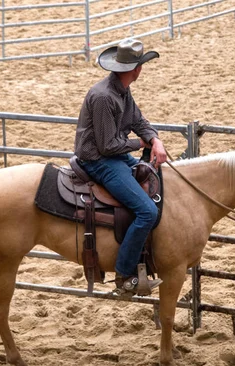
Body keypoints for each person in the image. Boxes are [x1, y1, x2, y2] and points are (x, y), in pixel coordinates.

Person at [74, 38, 167, 295]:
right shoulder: (104, 97)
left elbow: (138, 119)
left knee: (157, 177)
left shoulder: (122, 90)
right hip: (98, 161)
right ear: (136, 70)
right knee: (147, 212)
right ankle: (125, 275)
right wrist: (140, 143)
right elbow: (107, 146)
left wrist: (155, 140)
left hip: (112, 156)